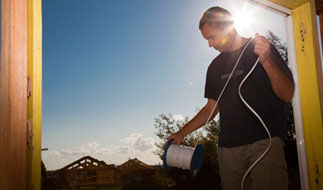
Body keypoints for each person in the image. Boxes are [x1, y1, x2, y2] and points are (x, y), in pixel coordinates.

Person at [167, 6, 294, 190]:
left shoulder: (261, 49)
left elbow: (287, 94)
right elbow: (210, 108)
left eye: (211, 37)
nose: (210, 44)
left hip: (264, 143)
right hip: (227, 151)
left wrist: (266, 60)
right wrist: (181, 133)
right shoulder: (214, 67)